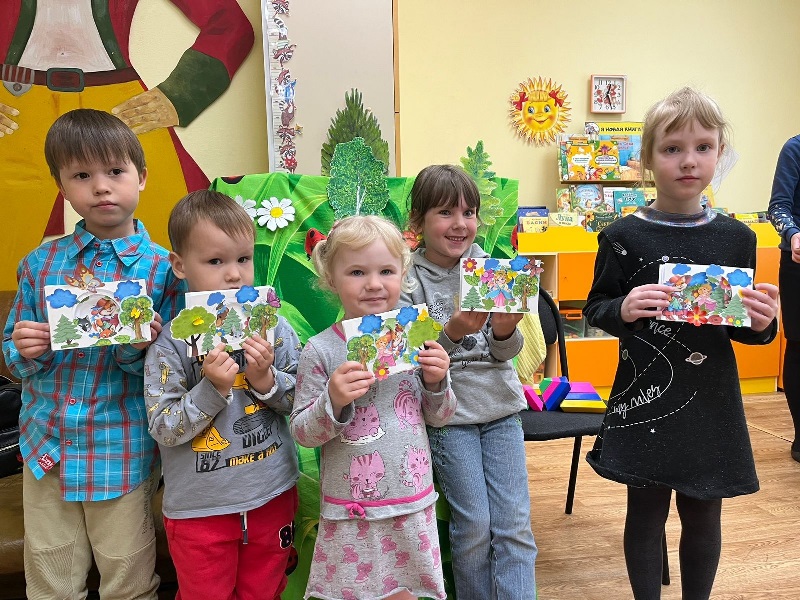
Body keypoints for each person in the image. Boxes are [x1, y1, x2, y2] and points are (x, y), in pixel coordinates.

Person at [583, 87, 780, 599]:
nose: (688, 161)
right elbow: (596, 306)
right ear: (647, 158)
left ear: (719, 152)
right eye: (672, 149)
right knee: (645, 515)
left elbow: (742, 329)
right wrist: (623, 308)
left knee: (704, 513)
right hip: (647, 397)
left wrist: (763, 323)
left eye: (703, 147)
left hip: (711, 401)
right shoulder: (623, 236)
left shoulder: (738, 238)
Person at [1, 108, 184, 599]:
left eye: (115, 171)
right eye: (82, 176)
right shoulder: (41, 264)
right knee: (50, 581)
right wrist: (26, 348)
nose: (101, 187)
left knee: (129, 581)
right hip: (46, 446)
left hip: (121, 448)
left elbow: (174, 374)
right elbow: (13, 352)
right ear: (62, 187)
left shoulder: (166, 270)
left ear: (141, 177)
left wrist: (142, 350)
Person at [0, 0, 255, 290]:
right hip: (17, 107)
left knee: (187, 250)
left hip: (118, 100)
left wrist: (180, 95)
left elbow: (231, 24)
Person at [144, 189, 301, 600]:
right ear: (180, 265)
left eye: (243, 259)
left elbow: (303, 402)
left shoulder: (274, 326)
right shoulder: (169, 345)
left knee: (266, 591)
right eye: (216, 261)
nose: (234, 274)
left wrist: (266, 380)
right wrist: (211, 389)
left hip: (271, 496)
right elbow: (164, 427)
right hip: (199, 511)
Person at [291, 215, 456, 600]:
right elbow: (302, 432)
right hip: (353, 511)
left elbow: (441, 416)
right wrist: (333, 400)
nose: (374, 284)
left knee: (407, 592)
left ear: (403, 274)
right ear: (331, 278)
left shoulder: (415, 338)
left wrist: (437, 382)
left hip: (411, 504)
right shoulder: (320, 350)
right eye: (356, 272)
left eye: (386, 271)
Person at [400, 164, 538, 599]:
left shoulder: (489, 268)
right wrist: (454, 331)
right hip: (450, 416)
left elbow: (505, 353)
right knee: (475, 525)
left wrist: (505, 330)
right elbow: (413, 360)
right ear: (418, 220)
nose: (460, 224)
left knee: (514, 524)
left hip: (501, 410)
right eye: (445, 212)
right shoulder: (407, 279)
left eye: (469, 212)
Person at [767, 134, 800, 462]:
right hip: (798, 261)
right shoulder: (795, 148)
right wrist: (793, 234)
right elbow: (778, 207)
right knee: (799, 345)